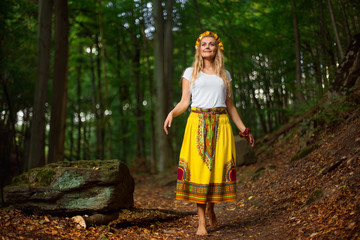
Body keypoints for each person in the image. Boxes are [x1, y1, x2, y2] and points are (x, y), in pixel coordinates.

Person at [163, 31, 255, 236]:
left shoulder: (225, 75)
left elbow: (230, 106)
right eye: (203, 44)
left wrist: (244, 130)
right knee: (199, 172)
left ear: (217, 49)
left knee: (216, 171)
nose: (207, 47)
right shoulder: (190, 73)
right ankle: (201, 222)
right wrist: (172, 113)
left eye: (211, 44)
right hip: (197, 123)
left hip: (221, 124)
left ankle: (212, 208)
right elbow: (184, 102)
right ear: (198, 48)